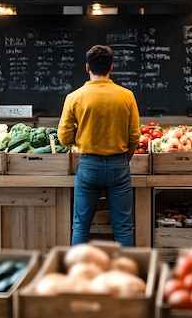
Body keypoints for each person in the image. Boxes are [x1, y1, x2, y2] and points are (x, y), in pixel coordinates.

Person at [57, 44, 141, 247]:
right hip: (119, 165)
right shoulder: (126, 95)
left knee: (80, 226)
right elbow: (134, 136)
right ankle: (127, 275)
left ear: (87, 68)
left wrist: (77, 136)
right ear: (111, 68)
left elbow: (63, 138)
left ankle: (78, 274)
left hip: (88, 165)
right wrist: (124, 158)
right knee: (122, 227)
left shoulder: (74, 97)